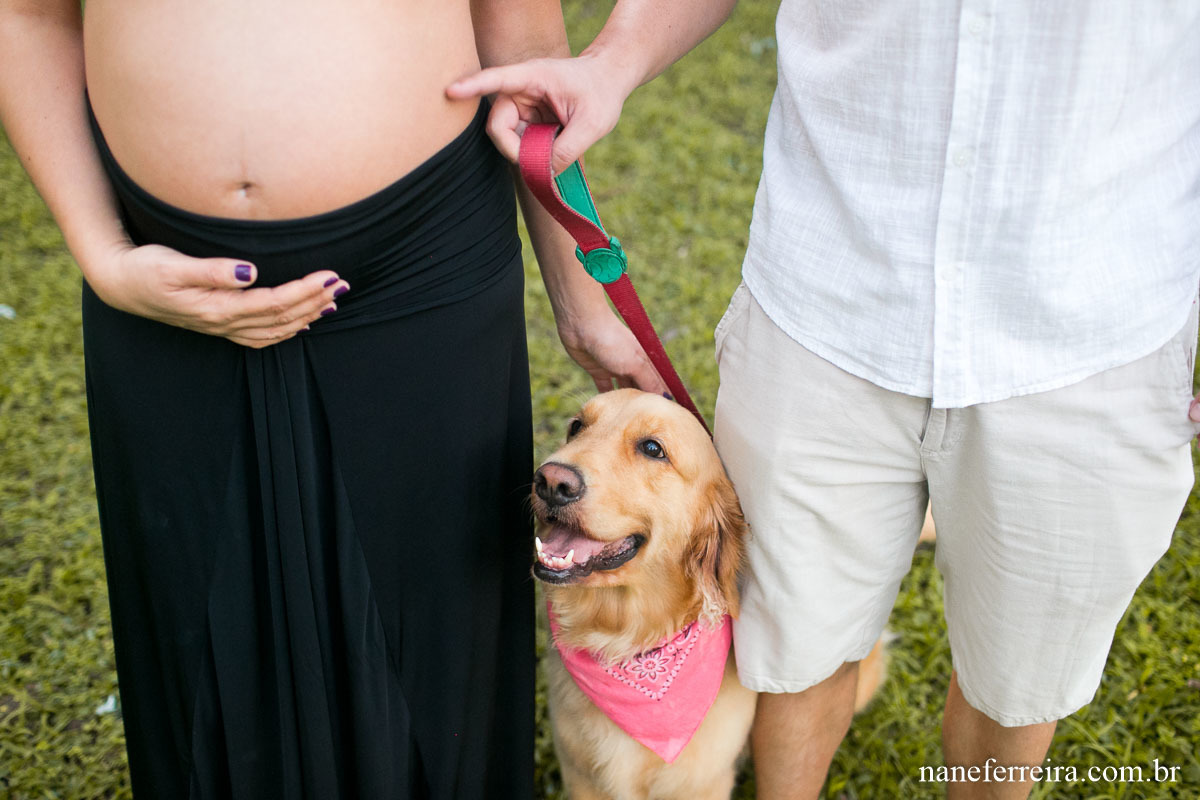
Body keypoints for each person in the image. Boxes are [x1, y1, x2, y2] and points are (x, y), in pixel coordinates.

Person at [448, 2, 1200, 798]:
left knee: (1015, 681)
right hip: (822, 300)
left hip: (1093, 332)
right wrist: (611, 60)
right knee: (797, 648)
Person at [0, 1, 665, 797]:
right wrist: (103, 256)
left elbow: (522, 40)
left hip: (422, 258)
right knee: (193, 641)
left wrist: (581, 296)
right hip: (158, 282)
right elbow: (26, 14)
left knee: (435, 652)